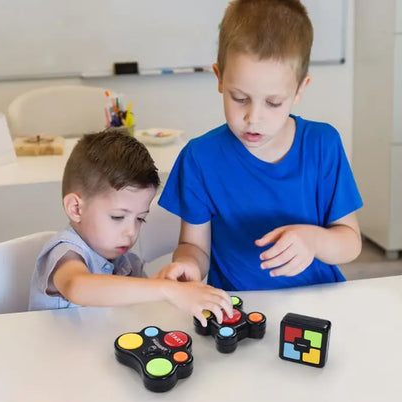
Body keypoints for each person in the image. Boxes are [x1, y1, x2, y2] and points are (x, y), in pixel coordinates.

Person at [155, 0, 363, 290]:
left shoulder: (322, 145)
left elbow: (350, 242)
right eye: (239, 98)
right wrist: (188, 264)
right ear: (219, 78)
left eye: (273, 103)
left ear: (300, 89)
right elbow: (194, 246)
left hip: (318, 300)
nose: (253, 118)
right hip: (238, 310)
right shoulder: (200, 158)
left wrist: (314, 240)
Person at [28, 129, 232, 326]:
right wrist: (164, 289)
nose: (131, 232)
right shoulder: (66, 251)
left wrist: (165, 286)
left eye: (140, 219)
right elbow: (77, 286)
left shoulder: (125, 262)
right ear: (76, 208)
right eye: (117, 217)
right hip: (52, 357)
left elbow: (133, 310)